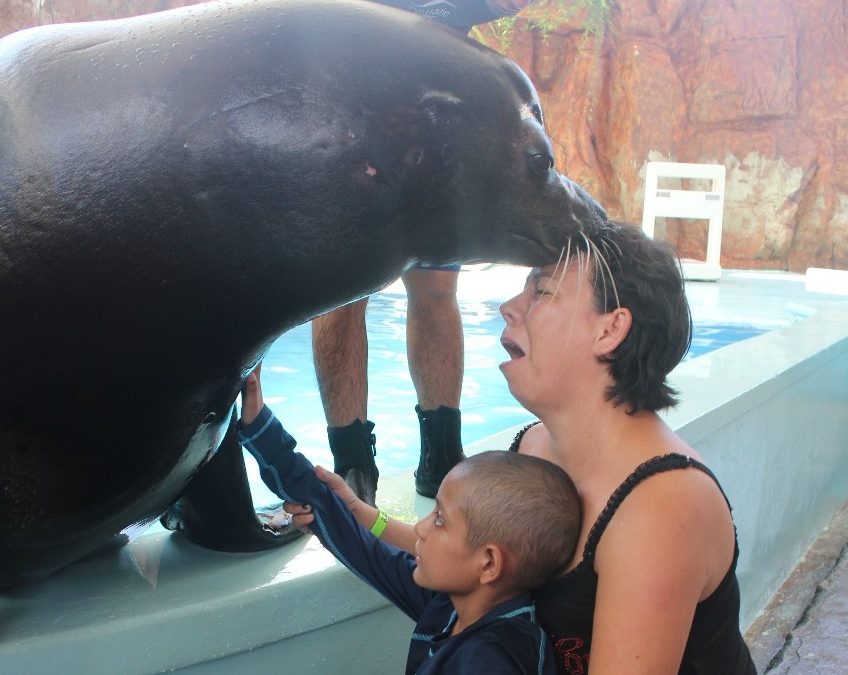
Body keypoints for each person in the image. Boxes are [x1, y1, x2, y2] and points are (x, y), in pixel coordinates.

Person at [295, 221, 757, 674]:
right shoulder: (537, 444)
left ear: (610, 330)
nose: (509, 307)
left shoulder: (661, 506)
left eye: (542, 291)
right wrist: (364, 518)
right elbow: (473, 550)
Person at [312, 0, 536, 507]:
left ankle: (441, 456)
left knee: (437, 288)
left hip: (439, 126)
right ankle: (352, 464)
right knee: (343, 294)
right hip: (353, 119)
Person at [237, 365, 581, 675]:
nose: (419, 527)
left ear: (489, 562)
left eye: (440, 521)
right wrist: (262, 432)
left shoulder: (493, 660)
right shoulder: (452, 603)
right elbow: (362, 548)